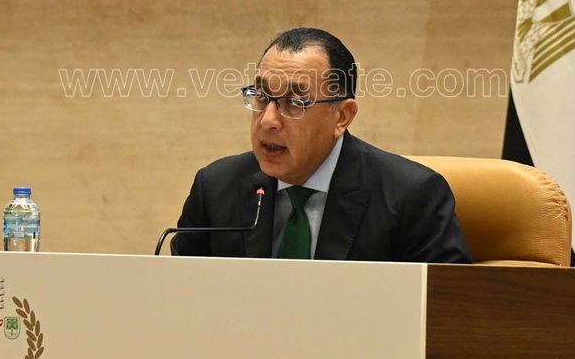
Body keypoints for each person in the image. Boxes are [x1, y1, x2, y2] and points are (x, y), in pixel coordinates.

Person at [172, 27, 471, 263]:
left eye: (294, 101)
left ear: (342, 116)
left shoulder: (411, 197)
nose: (268, 120)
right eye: (261, 96)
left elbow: (450, 310)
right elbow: (178, 300)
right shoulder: (215, 189)